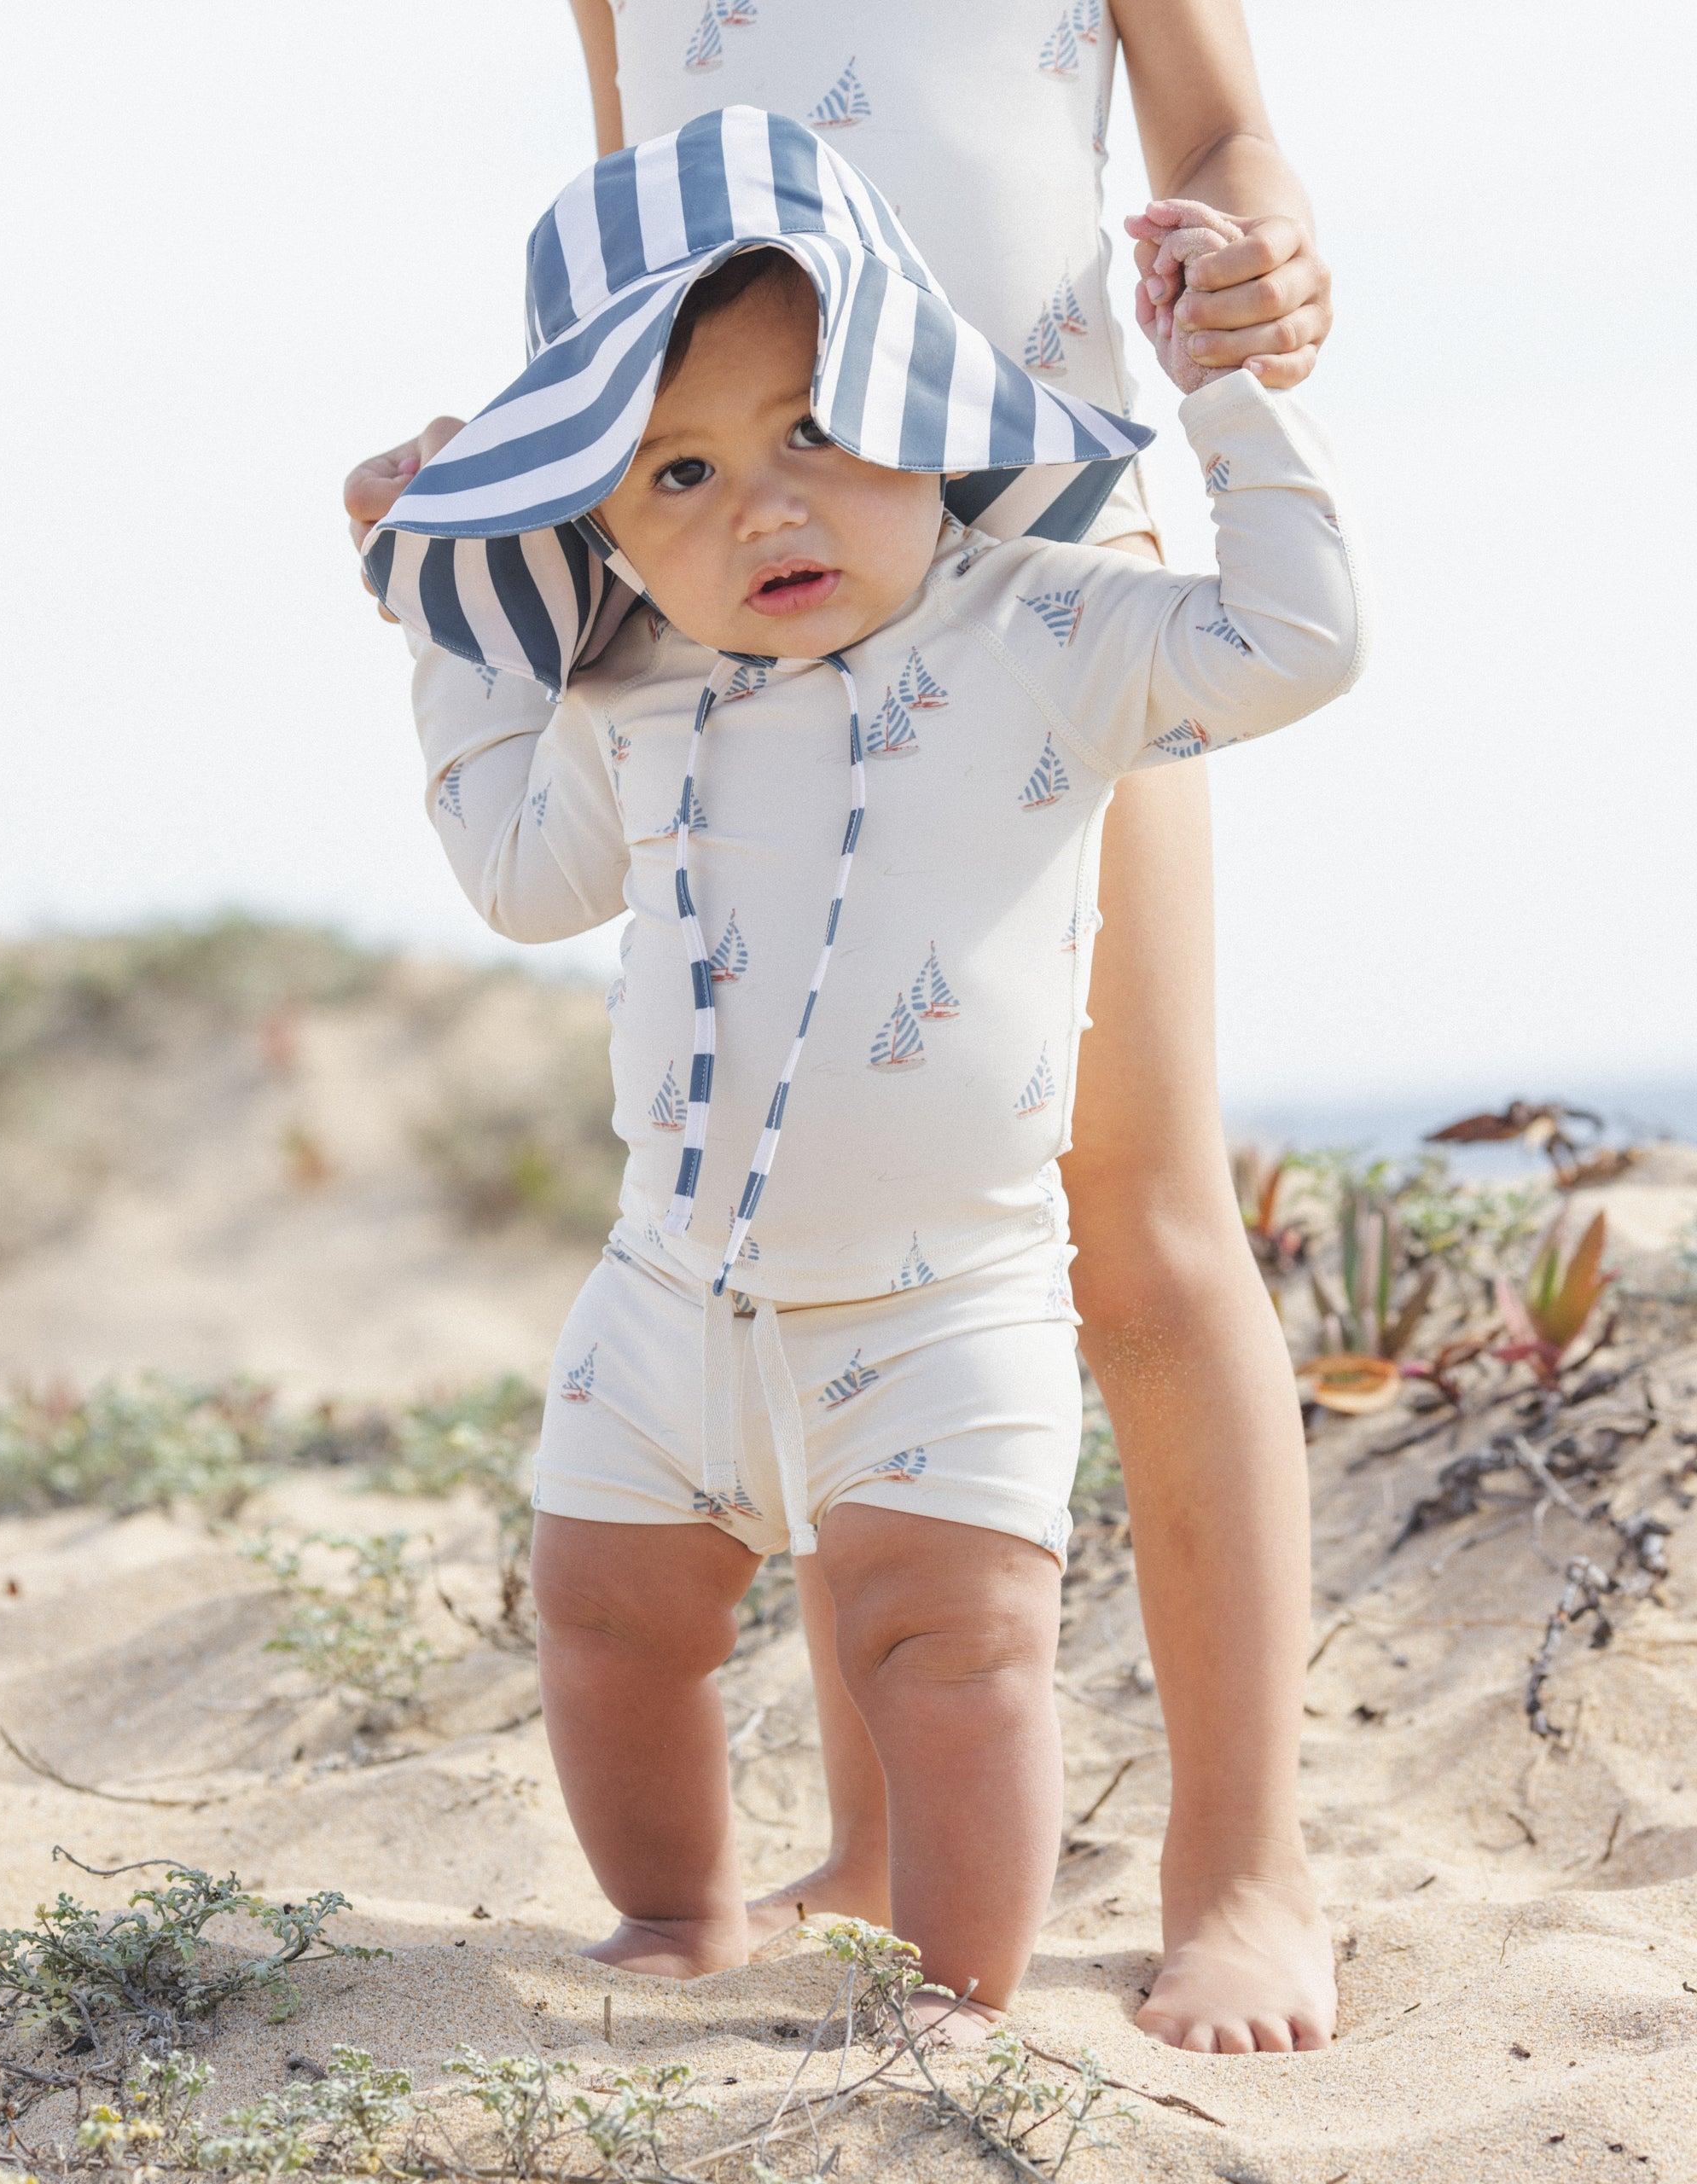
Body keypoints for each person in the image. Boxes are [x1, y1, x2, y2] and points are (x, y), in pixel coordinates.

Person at [348, 0, 1340, 2057]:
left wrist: (1257, 269)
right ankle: (879, 1842)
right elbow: (651, 225)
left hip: (1031, 534)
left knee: (1134, 1217)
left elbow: (1222, 126)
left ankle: (1242, 1865)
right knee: (809, 1223)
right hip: (723, 551)